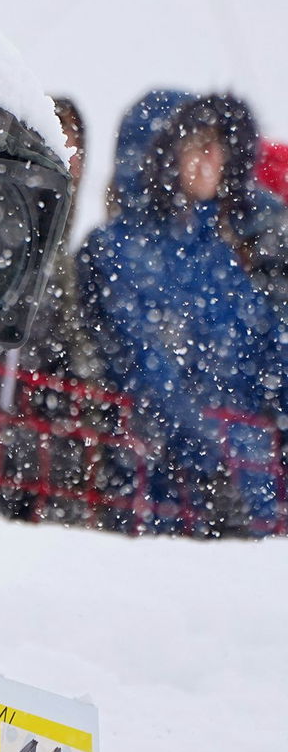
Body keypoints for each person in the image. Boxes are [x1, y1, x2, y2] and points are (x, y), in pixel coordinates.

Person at [78, 90, 288, 536]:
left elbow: (272, 358)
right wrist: (210, 466)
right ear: (159, 154)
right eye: (196, 143)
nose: (212, 157)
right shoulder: (114, 250)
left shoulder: (223, 256)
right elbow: (144, 369)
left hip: (252, 494)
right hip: (159, 493)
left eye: (219, 144)